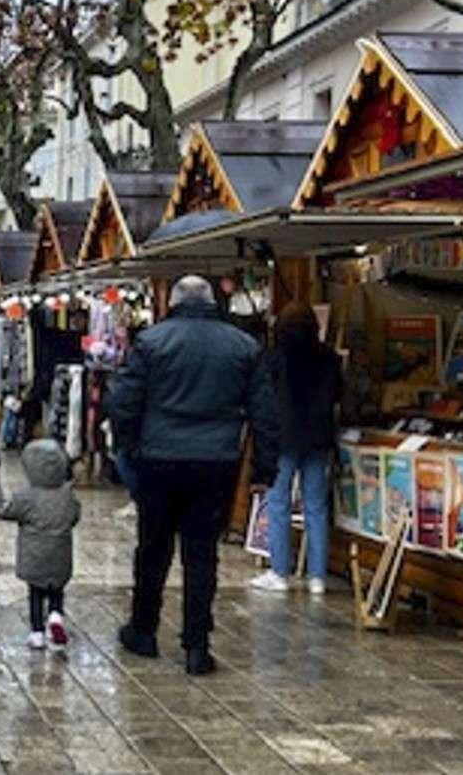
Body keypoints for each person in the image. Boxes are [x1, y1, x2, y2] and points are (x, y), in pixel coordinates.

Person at [106, 275, 278, 675]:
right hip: (216, 461)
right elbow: (265, 414)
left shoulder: (151, 342)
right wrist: (263, 468)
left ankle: (144, 629)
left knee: (153, 547)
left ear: (176, 301)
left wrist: (127, 448)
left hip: (158, 457)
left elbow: (123, 401)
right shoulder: (244, 346)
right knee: (202, 554)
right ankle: (196, 645)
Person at [250, 303, 341, 596]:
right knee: (316, 507)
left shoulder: (274, 358)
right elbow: (339, 395)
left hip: (283, 438)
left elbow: (264, 397)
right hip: (318, 438)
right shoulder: (329, 358)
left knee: (279, 503)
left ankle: (280, 572)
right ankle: (317, 577)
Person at [0, 438, 82, 651]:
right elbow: (75, 516)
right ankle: (55, 616)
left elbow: (3, 510)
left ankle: (37, 632)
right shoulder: (67, 495)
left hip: (34, 558)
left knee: (35, 593)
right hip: (61, 556)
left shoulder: (26, 497)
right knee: (57, 589)